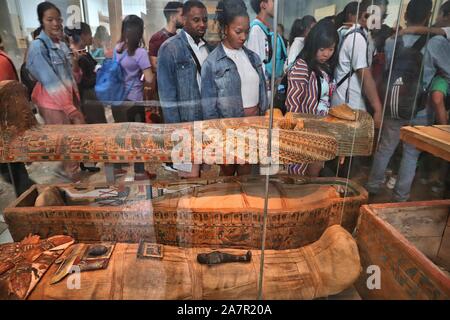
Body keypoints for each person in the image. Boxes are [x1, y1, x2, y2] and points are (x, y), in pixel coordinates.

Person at [367, 0, 450, 202]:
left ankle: (372, 188)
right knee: (411, 154)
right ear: (428, 15)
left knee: (386, 147)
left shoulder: (391, 41)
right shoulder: (436, 42)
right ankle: (400, 197)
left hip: (393, 102)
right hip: (420, 109)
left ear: (405, 15)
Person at [201, 0, 268, 177]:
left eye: (246, 31)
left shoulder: (253, 58)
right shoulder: (212, 63)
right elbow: (209, 109)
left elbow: (262, 93)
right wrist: (215, 138)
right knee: (228, 179)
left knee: (247, 177)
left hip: (254, 126)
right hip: (228, 129)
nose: (243, 36)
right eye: (238, 31)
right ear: (224, 28)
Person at [26, 1, 85, 181]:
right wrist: (71, 110)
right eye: (50, 19)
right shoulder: (38, 47)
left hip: (68, 99)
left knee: (73, 143)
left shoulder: (61, 44)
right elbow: (51, 82)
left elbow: (73, 78)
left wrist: (75, 65)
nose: (56, 23)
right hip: (53, 104)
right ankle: (68, 183)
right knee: (65, 145)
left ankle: (71, 177)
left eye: (58, 19)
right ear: (41, 21)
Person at [158, 0, 209, 178]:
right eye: (196, 20)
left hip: (205, 124)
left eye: (205, 19)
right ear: (184, 19)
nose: (202, 24)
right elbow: (167, 98)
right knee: (188, 178)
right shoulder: (169, 48)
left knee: (199, 175)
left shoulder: (206, 48)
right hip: (185, 126)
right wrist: (178, 135)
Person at [285, 19, 339, 177]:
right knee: (297, 176)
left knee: (313, 173)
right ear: (313, 45)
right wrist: (297, 137)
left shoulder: (324, 67)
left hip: (319, 131)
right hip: (303, 134)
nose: (326, 54)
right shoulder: (302, 66)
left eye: (331, 49)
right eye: (322, 49)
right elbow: (293, 106)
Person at [112, 15, 154, 181]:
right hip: (134, 101)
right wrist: (142, 75)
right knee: (138, 138)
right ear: (140, 31)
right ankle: (139, 172)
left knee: (121, 135)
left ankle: (117, 168)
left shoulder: (118, 48)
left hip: (119, 100)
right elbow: (149, 78)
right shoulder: (141, 53)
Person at [332, 0, 383, 128]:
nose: (381, 22)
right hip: (349, 103)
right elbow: (365, 75)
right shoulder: (357, 38)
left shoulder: (358, 35)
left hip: (347, 100)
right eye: (379, 17)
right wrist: (377, 108)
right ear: (365, 15)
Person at [0, 35, 35, 197]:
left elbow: (10, 102)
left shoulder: (2, 62)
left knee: (15, 173)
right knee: (13, 173)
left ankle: (36, 199)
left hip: (6, 130)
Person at [65, 23, 107, 125]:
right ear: (83, 35)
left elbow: (96, 66)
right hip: (87, 98)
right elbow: (83, 81)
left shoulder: (84, 53)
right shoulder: (76, 56)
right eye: (90, 34)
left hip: (92, 96)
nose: (91, 37)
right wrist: (99, 75)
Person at [247, 0, 287, 82]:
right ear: (263, 5)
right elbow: (255, 63)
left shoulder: (264, 29)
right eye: (272, 1)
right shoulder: (256, 29)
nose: (275, 5)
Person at [149, 1, 184, 74]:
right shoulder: (157, 38)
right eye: (182, 15)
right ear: (173, 18)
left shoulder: (179, 38)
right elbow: (155, 67)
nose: (184, 18)